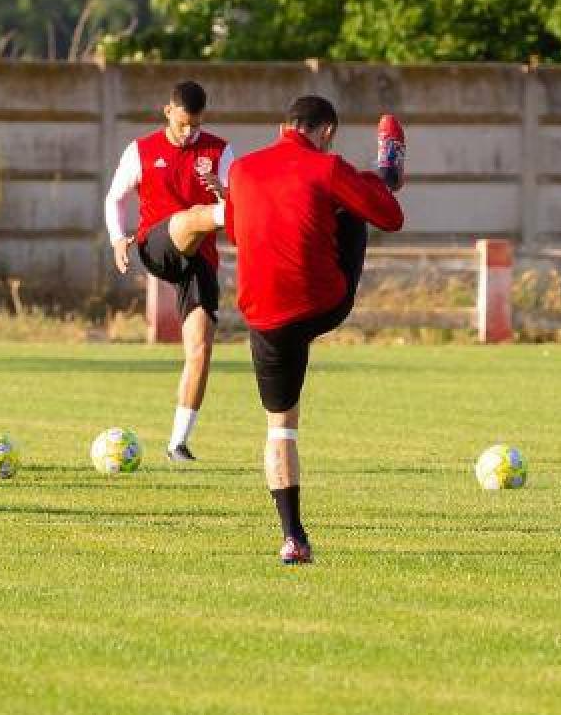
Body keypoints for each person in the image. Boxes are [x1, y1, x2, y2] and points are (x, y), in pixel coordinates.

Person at [225, 96, 405, 565]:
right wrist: (375, 190)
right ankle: (385, 173)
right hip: (322, 303)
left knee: (280, 429)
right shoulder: (327, 166)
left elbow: (238, 235)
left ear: (284, 125)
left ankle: (293, 538)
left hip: (264, 315)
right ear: (326, 132)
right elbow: (392, 219)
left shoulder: (240, 171)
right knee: (359, 206)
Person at [104, 80, 233, 463]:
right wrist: (117, 238)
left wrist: (225, 192)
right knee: (191, 217)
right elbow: (115, 197)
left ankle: (178, 444)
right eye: (182, 124)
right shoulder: (141, 150)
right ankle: (221, 215)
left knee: (201, 348)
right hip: (156, 245)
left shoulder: (220, 151)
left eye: (196, 125)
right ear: (168, 112)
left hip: (199, 259)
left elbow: (236, 201)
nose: (189, 132)